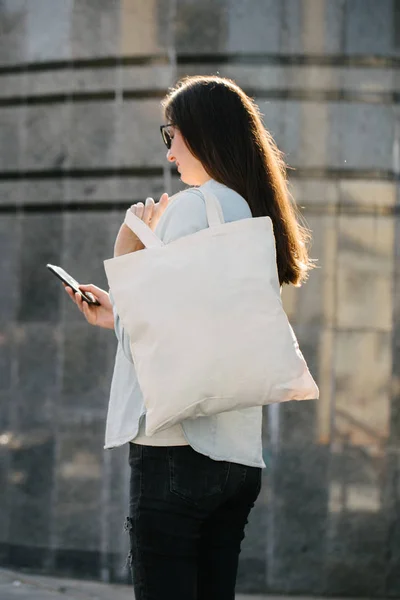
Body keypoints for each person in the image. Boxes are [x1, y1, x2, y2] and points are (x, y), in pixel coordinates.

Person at [65, 75, 314, 600]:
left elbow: (157, 349)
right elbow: (201, 327)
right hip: (239, 456)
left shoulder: (189, 208)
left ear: (202, 134)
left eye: (173, 133)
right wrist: (118, 317)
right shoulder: (251, 212)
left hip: (177, 450)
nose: (171, 149)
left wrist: (131, 234)